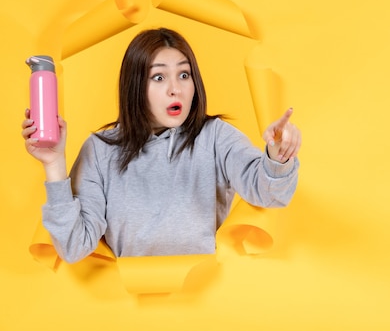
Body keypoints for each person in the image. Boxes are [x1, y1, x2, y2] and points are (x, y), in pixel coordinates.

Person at [21, 27, 301, 263]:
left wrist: (278, 157)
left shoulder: (215, 137)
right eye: (158, 77)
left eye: (184, 74)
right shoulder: (100, 150)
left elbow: (269, 194)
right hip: (132, 309)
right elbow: (74, 247)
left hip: (205, 301)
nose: (175, 89)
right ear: (134, 86)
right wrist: (54, 164)